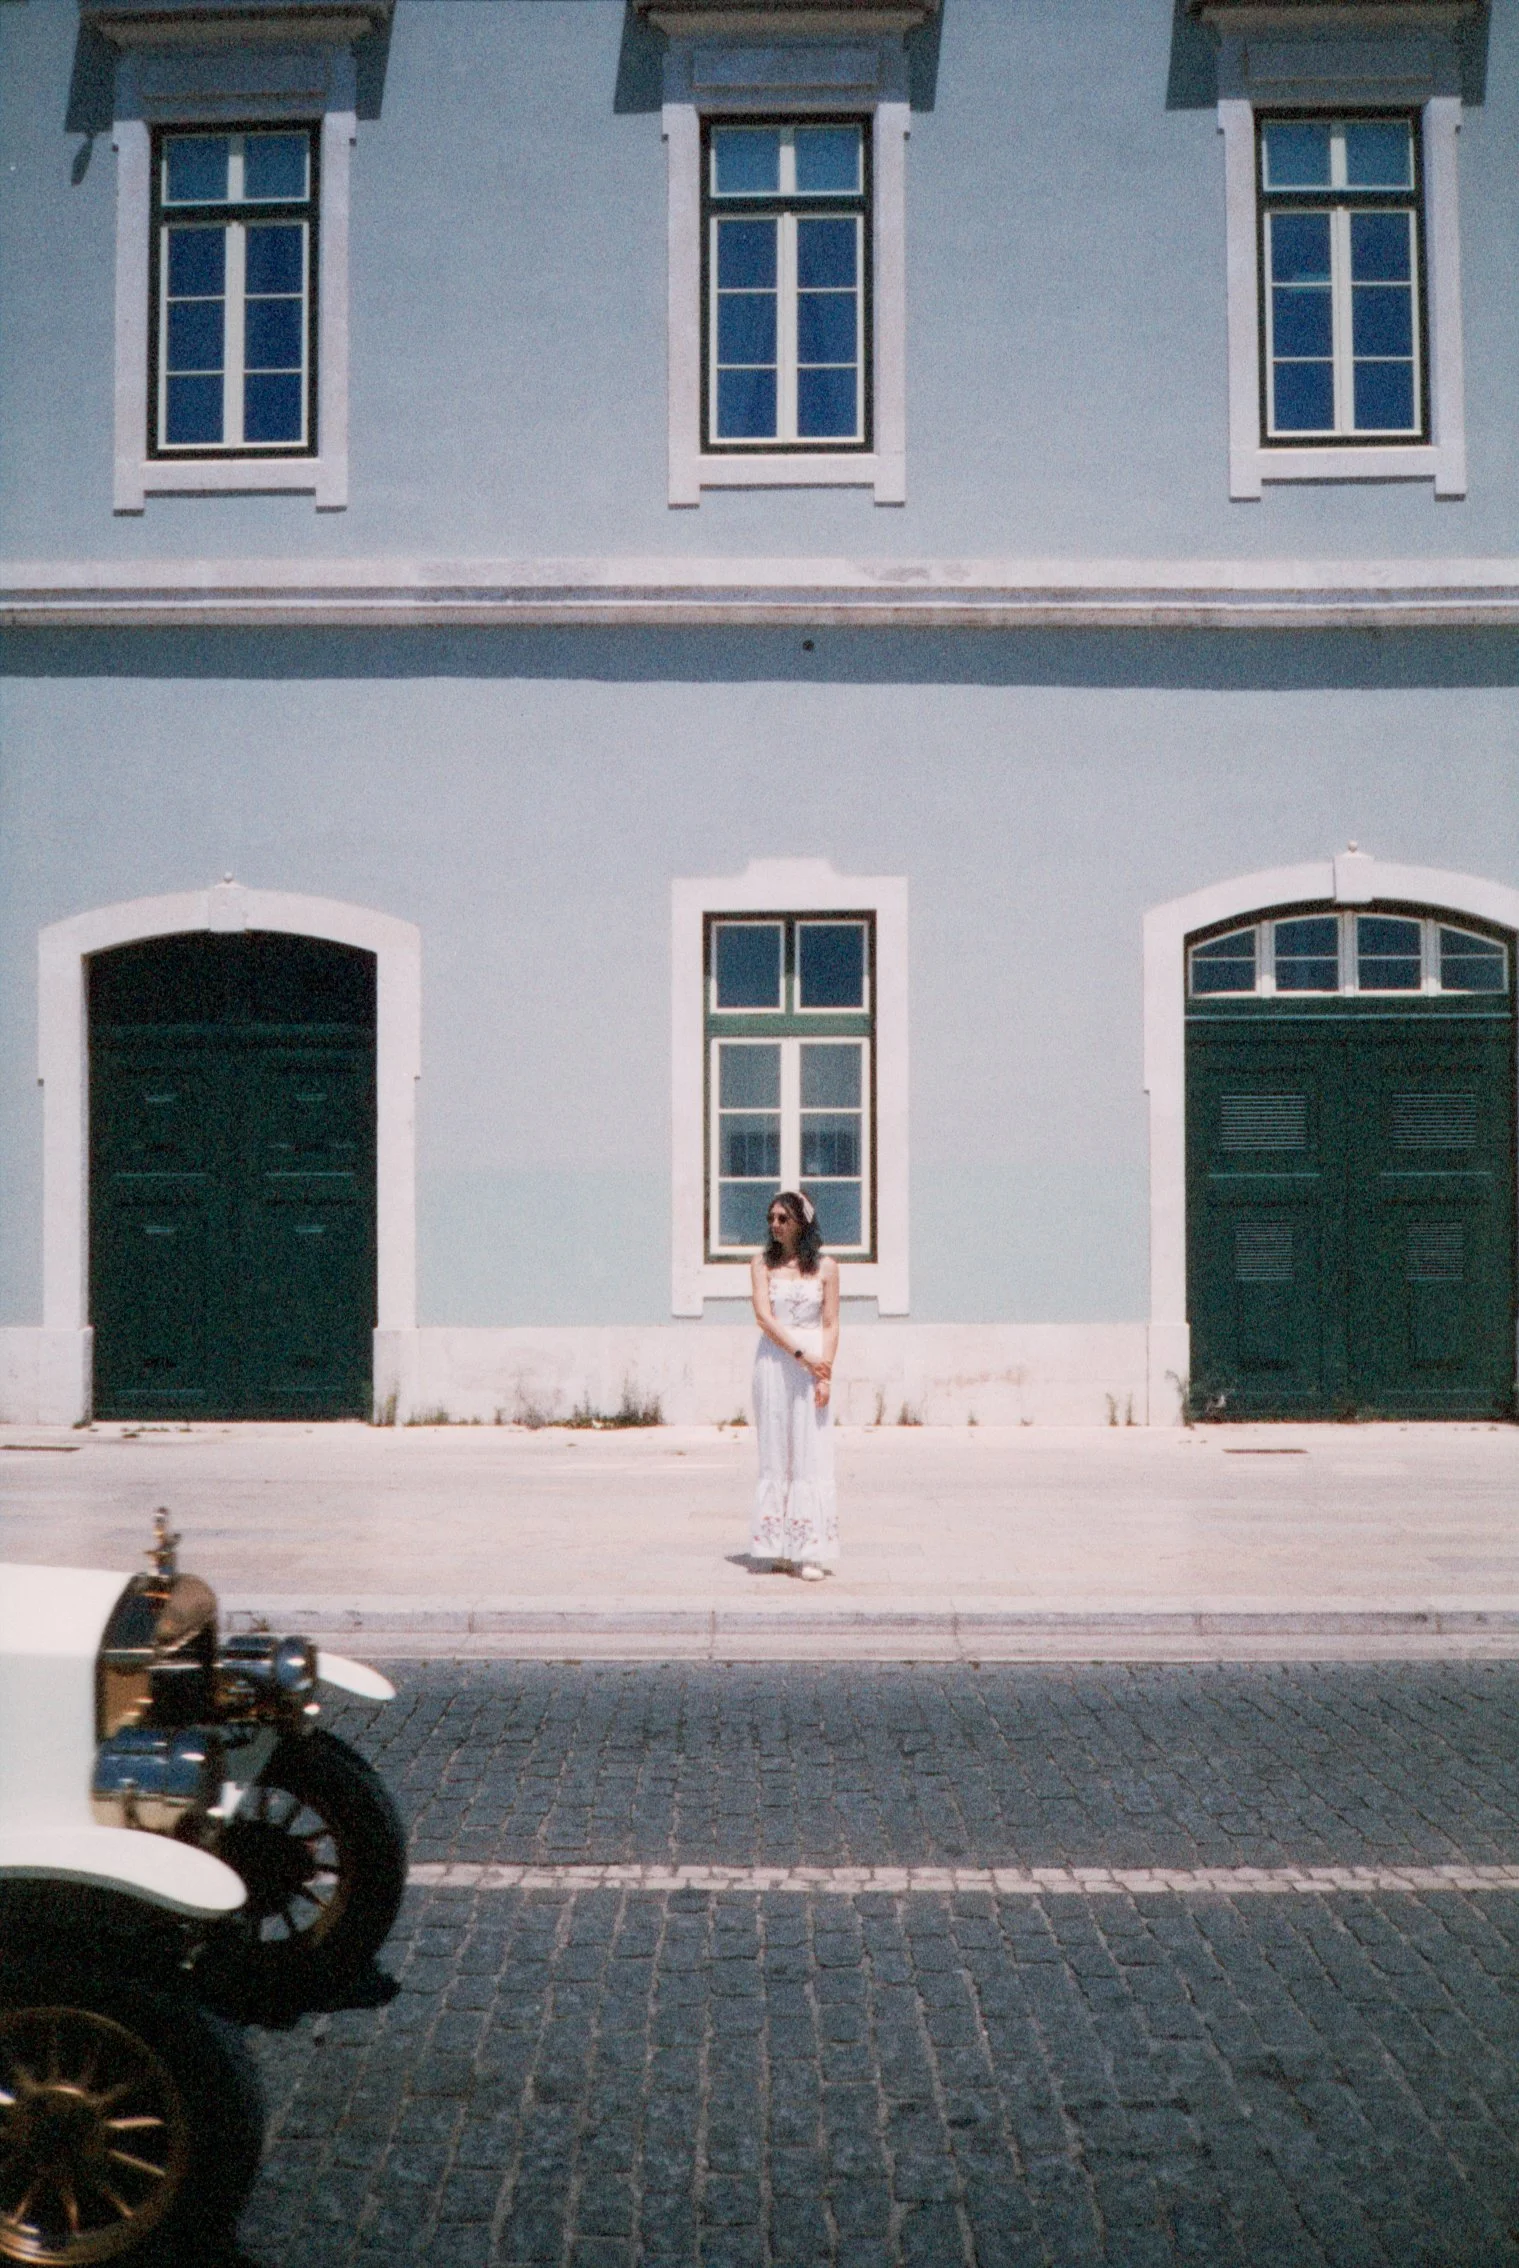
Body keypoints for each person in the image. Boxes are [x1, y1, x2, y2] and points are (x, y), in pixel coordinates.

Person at [749, 1190, 840, 1579]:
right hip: (776, 1361)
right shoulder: (762, 1264)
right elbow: (764, 1317)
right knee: (776, 1450)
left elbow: (831, 1322)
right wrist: (801, 1355)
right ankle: (777, 1546)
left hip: (812, 1365)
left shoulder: (826, 1268)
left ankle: (810, 1550)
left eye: (783, 1218)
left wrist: (824, 1372)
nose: (775, 1224)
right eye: (771, 1218)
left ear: (802, 1222)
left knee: (810, 1450)